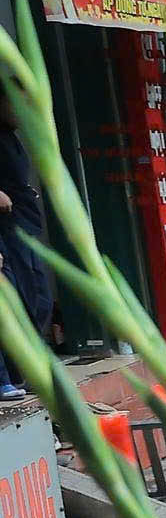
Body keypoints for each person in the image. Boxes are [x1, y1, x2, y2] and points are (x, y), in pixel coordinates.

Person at [0, 105, 53, 400]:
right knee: (15, 301)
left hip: (24, 227)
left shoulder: (11, 136)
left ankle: (28, 368)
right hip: (7, 231)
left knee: (38, 297)